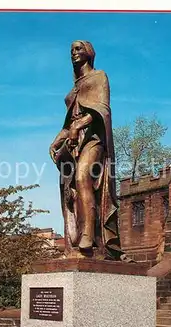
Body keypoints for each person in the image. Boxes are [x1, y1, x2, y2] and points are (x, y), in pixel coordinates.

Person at [49, 40, 124, 260]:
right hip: (73, 141)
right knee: (69, 194)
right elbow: (68, 122)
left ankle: (89, 235)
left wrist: (78, 126)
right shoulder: (75, 86)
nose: (74, 52)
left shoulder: (99, 76)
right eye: (71, 50)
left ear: (89, 52)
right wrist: (56, 141)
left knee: (83, 177)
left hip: (93, 137)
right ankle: (74, 241)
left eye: (78, 48)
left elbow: (102, 109)